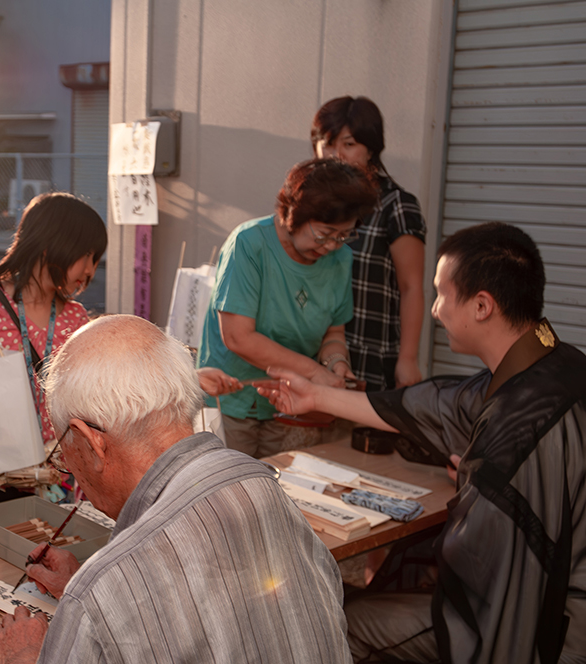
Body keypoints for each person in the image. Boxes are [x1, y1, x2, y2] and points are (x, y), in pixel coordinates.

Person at [255, 222, 586, 663]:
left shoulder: (514, 430)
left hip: (552, 625)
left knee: (340, 620)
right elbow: (431, 404)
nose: (433, 310)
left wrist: (477, 480)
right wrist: (315, 395)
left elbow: (483, 562)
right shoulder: (557, 364)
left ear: (482, 305)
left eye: (442, 294)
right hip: (561, 588)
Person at [0, 314, 352, 664]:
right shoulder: (266, 490)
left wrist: (24, 658)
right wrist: (99, 599)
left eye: (64, 451)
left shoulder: (101, 589)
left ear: (92, 442)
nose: (69, 465)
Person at [198, 158, 377, 457]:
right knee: (231, 493)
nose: (333, 245)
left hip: (293, 403)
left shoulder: (341, 259)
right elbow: (238, 337)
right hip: (232, 400)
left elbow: (333, 332)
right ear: (293, 212)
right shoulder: (249, 243)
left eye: (344, 235)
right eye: (324, 233)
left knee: (284, 491)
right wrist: (313, 372)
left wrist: (336, 364)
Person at [0, 192, 106, 443]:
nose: (90, 270)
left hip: (56, 472)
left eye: (96, 260)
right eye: (87, 256)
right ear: (51, 243)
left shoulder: (77, 318)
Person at [312, 96, 426, 391]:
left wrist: (408, 358)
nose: (336, 154)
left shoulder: (396, 205)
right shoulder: (307, 204)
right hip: (311, 354)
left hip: (370, 352)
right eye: (328, 143)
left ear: (371, 149)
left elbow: (411, 286)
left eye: (349, 144)